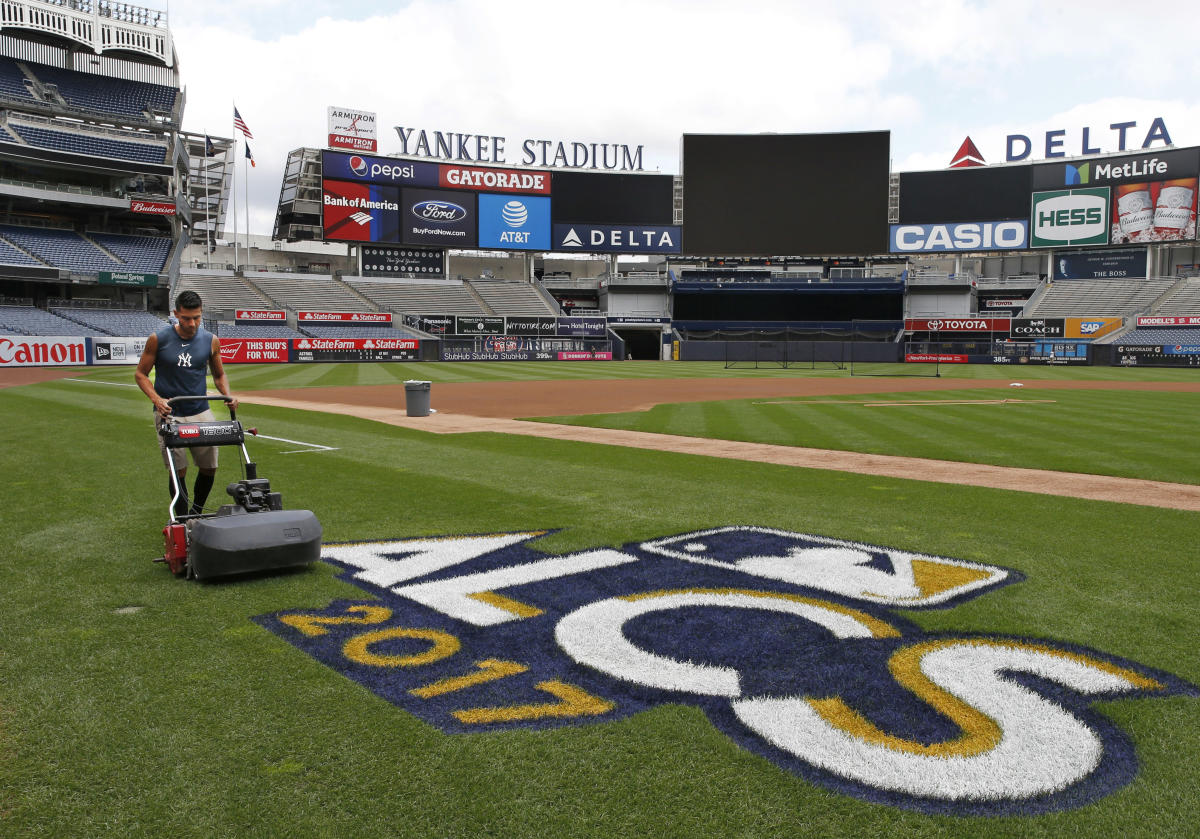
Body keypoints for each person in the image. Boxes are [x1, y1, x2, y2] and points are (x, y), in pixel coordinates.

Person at [135, 290, 237, 517]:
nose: (192, 324)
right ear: (176, 315)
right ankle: (181, 518)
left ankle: (197, 511)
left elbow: (219, 375)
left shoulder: (211, 341)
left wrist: (227, 394)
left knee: (209, 467)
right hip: (170, 414)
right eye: (186, 318)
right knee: (177, 470)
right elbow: (141, 374)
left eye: (197, 318)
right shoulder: (158, 339)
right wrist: (157, 399)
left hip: (200, 411)